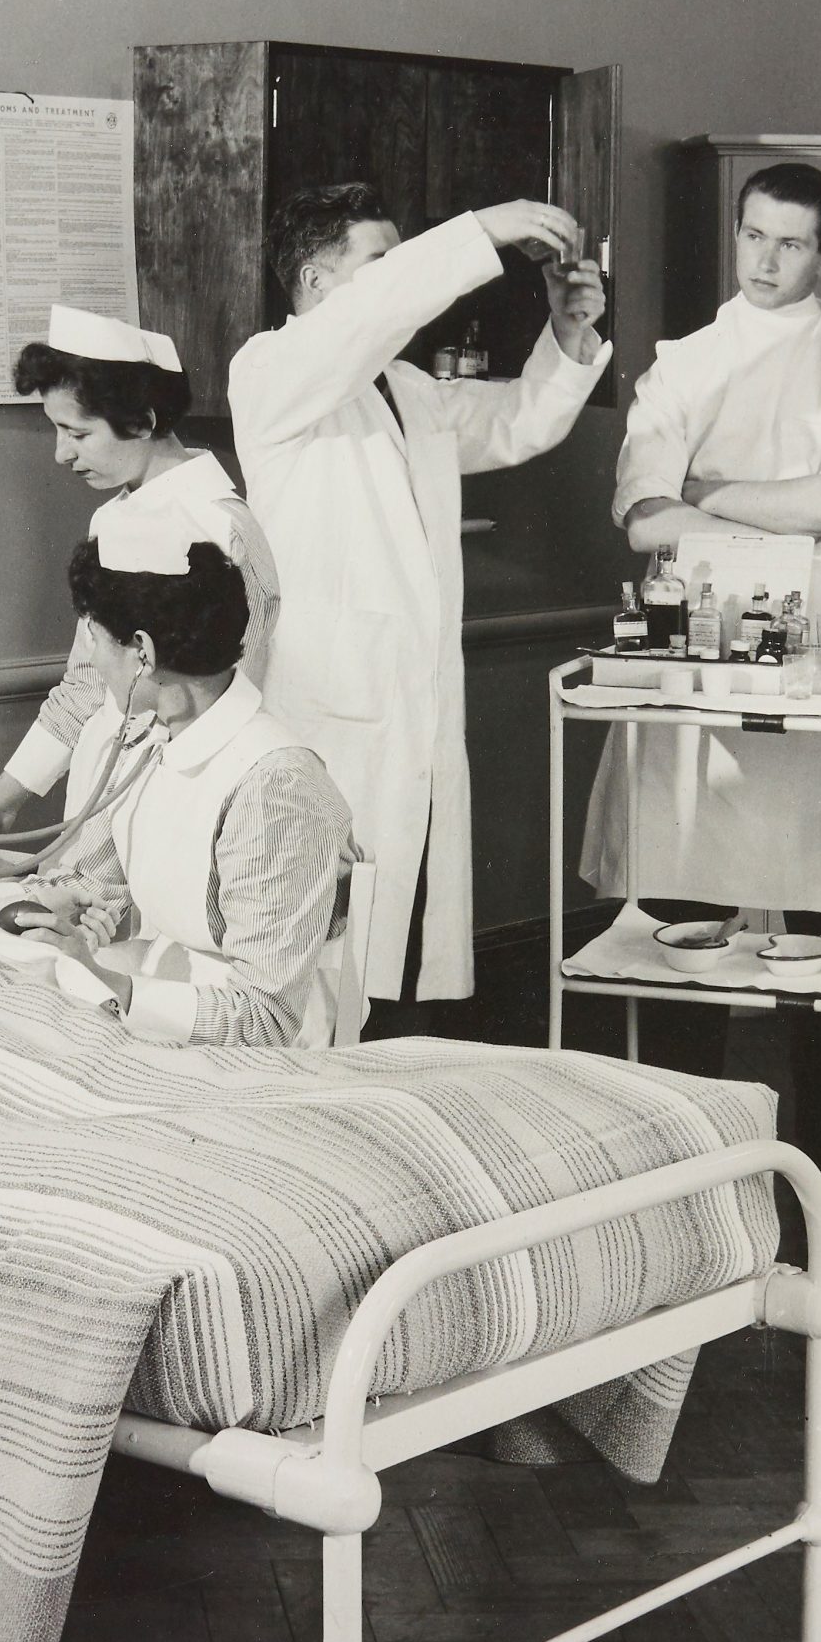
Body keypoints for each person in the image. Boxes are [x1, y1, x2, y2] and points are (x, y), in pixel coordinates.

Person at [230, 183, 609, 1018]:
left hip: (413, 701)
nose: (404, 276)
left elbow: (517, 423)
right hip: (325, 708)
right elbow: (370, 320)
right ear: (317, 282)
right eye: (383, 261)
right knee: (322, 956)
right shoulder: (271, 371)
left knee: (396, 949)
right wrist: (479, 230)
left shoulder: (406, 387)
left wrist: (568, 335)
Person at [0, 505, 356, 1049]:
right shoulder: (160, 740)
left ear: (143, 655)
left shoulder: (274, 787)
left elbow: (266, 1019)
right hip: (160, 1012)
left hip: (251, 1057)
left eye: (95, 642)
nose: (90, 663)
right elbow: (87, 887)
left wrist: (108, 982)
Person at [579, 162, 821, 923]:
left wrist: (698, 492)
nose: (765, 261)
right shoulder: (685, 362)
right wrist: (783, 516)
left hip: (814, 659)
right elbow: (644, 523)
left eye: (791, 245)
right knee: (675, 916)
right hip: (692, 659)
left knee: (818, 932)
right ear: (736, 232)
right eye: (754, 236)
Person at [0, 305, 279, 837]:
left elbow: (239, 698)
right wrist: (1, 802)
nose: (61, 454)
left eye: (77, 434)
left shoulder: (224, 529)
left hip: (190, 800)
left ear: (144, 421)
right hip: (102, 797)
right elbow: (85, 681)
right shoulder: (110, 519)